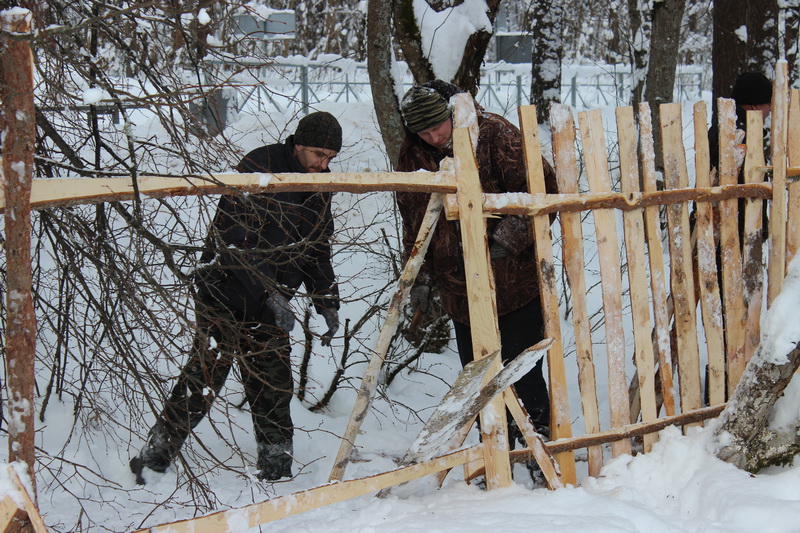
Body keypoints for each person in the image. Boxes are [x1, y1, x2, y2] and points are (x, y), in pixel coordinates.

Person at [130, 111, 342, 483]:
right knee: (204, 376)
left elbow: (316, 248)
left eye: (329, 159)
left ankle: (276, 466)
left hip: (271, 302)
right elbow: (237, 240)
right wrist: (273, 293)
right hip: (224, 289)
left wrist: (326, 300)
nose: (322, 165)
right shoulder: (259, 166)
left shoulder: (319, 185)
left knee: (273, 381)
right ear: (298, 145)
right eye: (317, 155)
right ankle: (155, 454)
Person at [395, 80, 559, 449]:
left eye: (438, 126)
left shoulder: (496, 134)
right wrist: (421, 277)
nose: (434, 136)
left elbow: (543, 188)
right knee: (479, 376)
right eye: (423, 131)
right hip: (459, 289)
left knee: (522, 370)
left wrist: (507, 240)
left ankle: (538, 449)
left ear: (451, 114)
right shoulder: (412, 154)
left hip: (514, 283)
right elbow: (413, 217)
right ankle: (496, 452)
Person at [708, 71, 772, 174]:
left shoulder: (726, 125)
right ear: (754, 105)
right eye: (768, 104)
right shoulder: (737, 133)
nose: (771, 109)